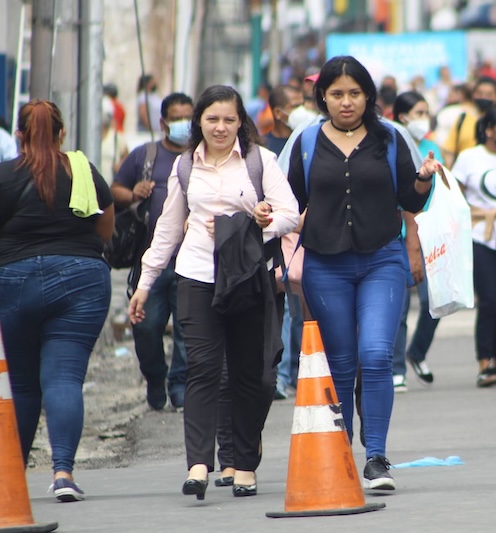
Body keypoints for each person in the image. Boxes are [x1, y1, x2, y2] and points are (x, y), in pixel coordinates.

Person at [128, 85, 299, 499]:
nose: (220, 127)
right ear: (198, 123)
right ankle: (199, 463)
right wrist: (145, 283)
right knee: (202, 368)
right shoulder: (186, 166)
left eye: (228, 119)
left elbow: (290, 213)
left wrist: (258, 223)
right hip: (197, 275)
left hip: (247, 278)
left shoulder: (260, 161)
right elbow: (168, 228)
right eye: (212, 119)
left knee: (253, 376)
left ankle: (244, 460)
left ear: (241, 122)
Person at [285, 56, 437, 490]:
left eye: (354, 93)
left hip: (381, 261)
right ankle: (340, 454)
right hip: (324, 265)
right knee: (340, 363)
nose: (346, 102)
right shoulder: (306, 141)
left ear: (368, 96)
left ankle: (376, 458)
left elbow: (413, 197)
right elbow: (288, 200)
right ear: (323, 98)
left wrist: (424, 179)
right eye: (336, 94)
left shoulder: (391, 138)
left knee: (375, 355)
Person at [0, 99, 114, 502]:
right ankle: (63, 473)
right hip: (81, 279)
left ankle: (9, 478)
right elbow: (105, 228)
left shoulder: (5, 176)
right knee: (64, 379)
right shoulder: (82, 169)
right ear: (62, 134)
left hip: (14, 282)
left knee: (24, 385)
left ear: (19, 136)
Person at [112, 92, 194, 410]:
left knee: (189, 328)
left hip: (191, 262)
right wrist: (133, 193)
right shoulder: (144, 156)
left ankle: (180, 385)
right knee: (146, 326)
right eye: (177, 118)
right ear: (163, 123)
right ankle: (155, 378)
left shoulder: (201, 156)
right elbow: (114, 189)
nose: (184, 124)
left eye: (189, 117)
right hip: (150, 262)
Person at [451, 104, 496, 387]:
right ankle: (484, 363)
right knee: (489, 299)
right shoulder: (470, 157)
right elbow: (452, 192)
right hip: (479, 235)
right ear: (489, 130)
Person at [390, 91, 443, 391]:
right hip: (404, 237)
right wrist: (411, 246)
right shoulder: (395, 144)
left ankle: (417, 351)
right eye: (418, 112)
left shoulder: (433, 148)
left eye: (426, 112)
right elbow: (407, 202)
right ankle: (397, 368)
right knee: (399, 306)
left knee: (435, 301)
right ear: (402, 117)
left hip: (433, 236)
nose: (424, 118)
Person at [442, 77, 496, 167]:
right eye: (480, 93)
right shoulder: (462, 119)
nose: (484, 97)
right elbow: (449, 152)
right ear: (473, 95)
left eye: (489, 94)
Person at [265, 84, 304, 155]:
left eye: (302, 105)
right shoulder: (263, 147)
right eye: (296, 106)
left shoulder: (308, 141)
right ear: (278, 113)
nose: (302, 110)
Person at [100, 96, 128, 185]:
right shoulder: (87, 137)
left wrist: (120, 166)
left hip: (110, 186)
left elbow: (127, 157)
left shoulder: (116, 137)